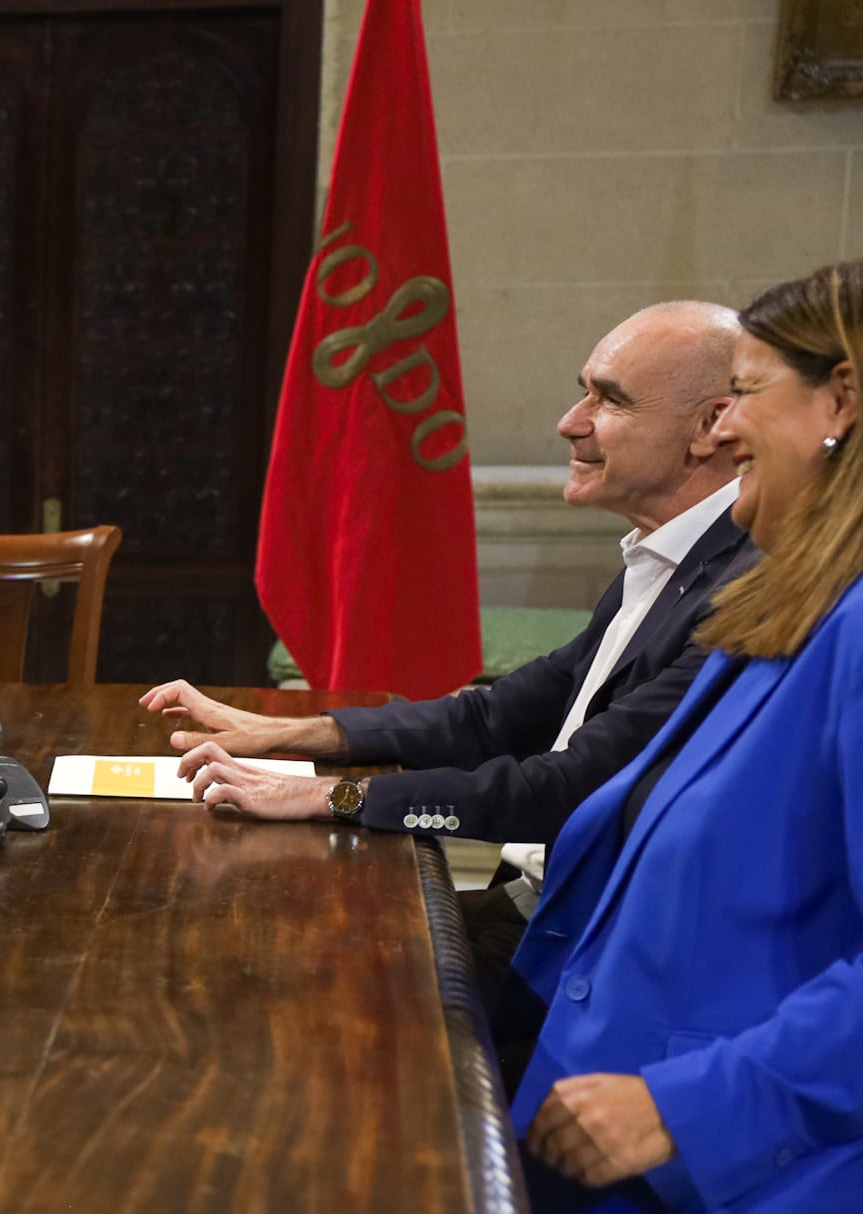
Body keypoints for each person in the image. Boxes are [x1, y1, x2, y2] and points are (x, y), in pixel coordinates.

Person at [143, 302, 756, 986]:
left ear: (711, 424)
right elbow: (492, 717)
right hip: (542, 907)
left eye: (608, 399)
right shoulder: (666, 556)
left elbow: (566, 788)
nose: (570, 421)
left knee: (283, 973)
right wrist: (293, 733)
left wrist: (333, 798)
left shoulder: (740, 590)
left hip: (595, 953)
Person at [497, 263, 863, 1214]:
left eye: (742, 393)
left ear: (837, 403)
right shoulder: (788, 599)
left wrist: (682, 1108)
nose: (722, 426)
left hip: (729, 1211)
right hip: (612, 1190)